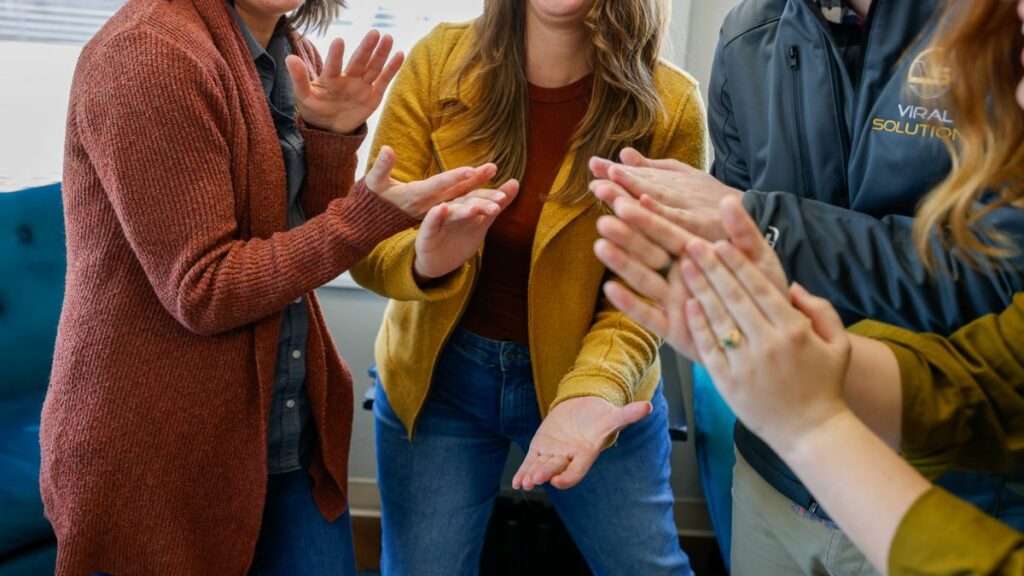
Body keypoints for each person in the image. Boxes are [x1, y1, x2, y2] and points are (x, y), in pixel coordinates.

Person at [40, 0, 505, 573]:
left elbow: (303, 253)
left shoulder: (296, 56)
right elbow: (205, 290)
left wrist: (332, 137)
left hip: (285, 438)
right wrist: (367, 215)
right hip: (158, 461)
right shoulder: (148, 53)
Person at [588, 0, 1024, 572]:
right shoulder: (746, 35)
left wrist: (762, 219)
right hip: (773, 473)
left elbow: (988, 283)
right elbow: (732, 244)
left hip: (939, 487)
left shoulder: (984, 27)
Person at [349, 0, 707, 573]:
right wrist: (425, 260)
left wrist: (595, 390)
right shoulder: (439, 60)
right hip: (440, 384)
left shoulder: (672, 106)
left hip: (595, 384)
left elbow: (649, 291)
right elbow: (366, 243)